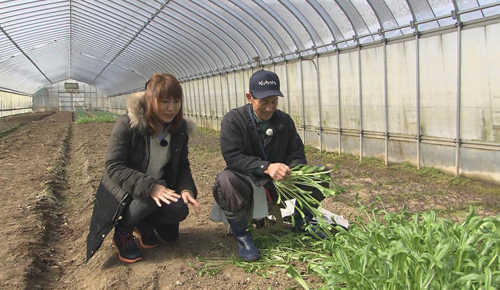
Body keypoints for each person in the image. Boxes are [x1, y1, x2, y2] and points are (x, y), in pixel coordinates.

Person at [211, 70, 326, 262]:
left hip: (279, 184)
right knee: (224, 181)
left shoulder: (284, 121)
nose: (269, 108)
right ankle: (244, 238)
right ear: (249, 98)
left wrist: (292, 170)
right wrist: (266, 167)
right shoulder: (233, 120)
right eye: (263, 102)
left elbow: (297, 153)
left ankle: (303, 224)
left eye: (274, 102)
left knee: (319, 174)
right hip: (247, 183)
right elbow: (233, 158)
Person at [86, 73, 200, 263]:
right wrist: (150, 187)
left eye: (176, 101)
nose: (171, 108)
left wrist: (186, 189)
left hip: (157, 184)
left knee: (178, 209)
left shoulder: (179, 129)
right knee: (148, 199)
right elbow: (113, 167)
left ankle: (144, 222)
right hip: (124, 188)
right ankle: (123, 231)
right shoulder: (128, 124)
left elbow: (181, 165)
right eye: (164, 101)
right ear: (150, 100)